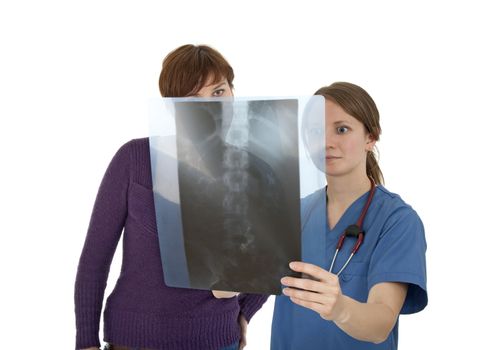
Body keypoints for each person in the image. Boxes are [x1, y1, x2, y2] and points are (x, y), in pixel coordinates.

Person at [74, 44, 268, 350]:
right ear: (171, 106)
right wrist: (86, 341)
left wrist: (246, 310)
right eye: (192, 98)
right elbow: (95, 260)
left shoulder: (252, 170)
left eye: (218, 92)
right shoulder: (134, 159)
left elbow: (273, 253)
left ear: (233, 93)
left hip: (216, 340)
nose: (210, 107)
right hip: (134, 340)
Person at [271, 82, 428, 349]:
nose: (327, 143)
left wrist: (340, 308)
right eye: (315, 132)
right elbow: (259, 277)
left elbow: (381, 322)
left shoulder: (397, 221)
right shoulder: (293, 213)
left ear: (371, 137)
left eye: (341, 129)